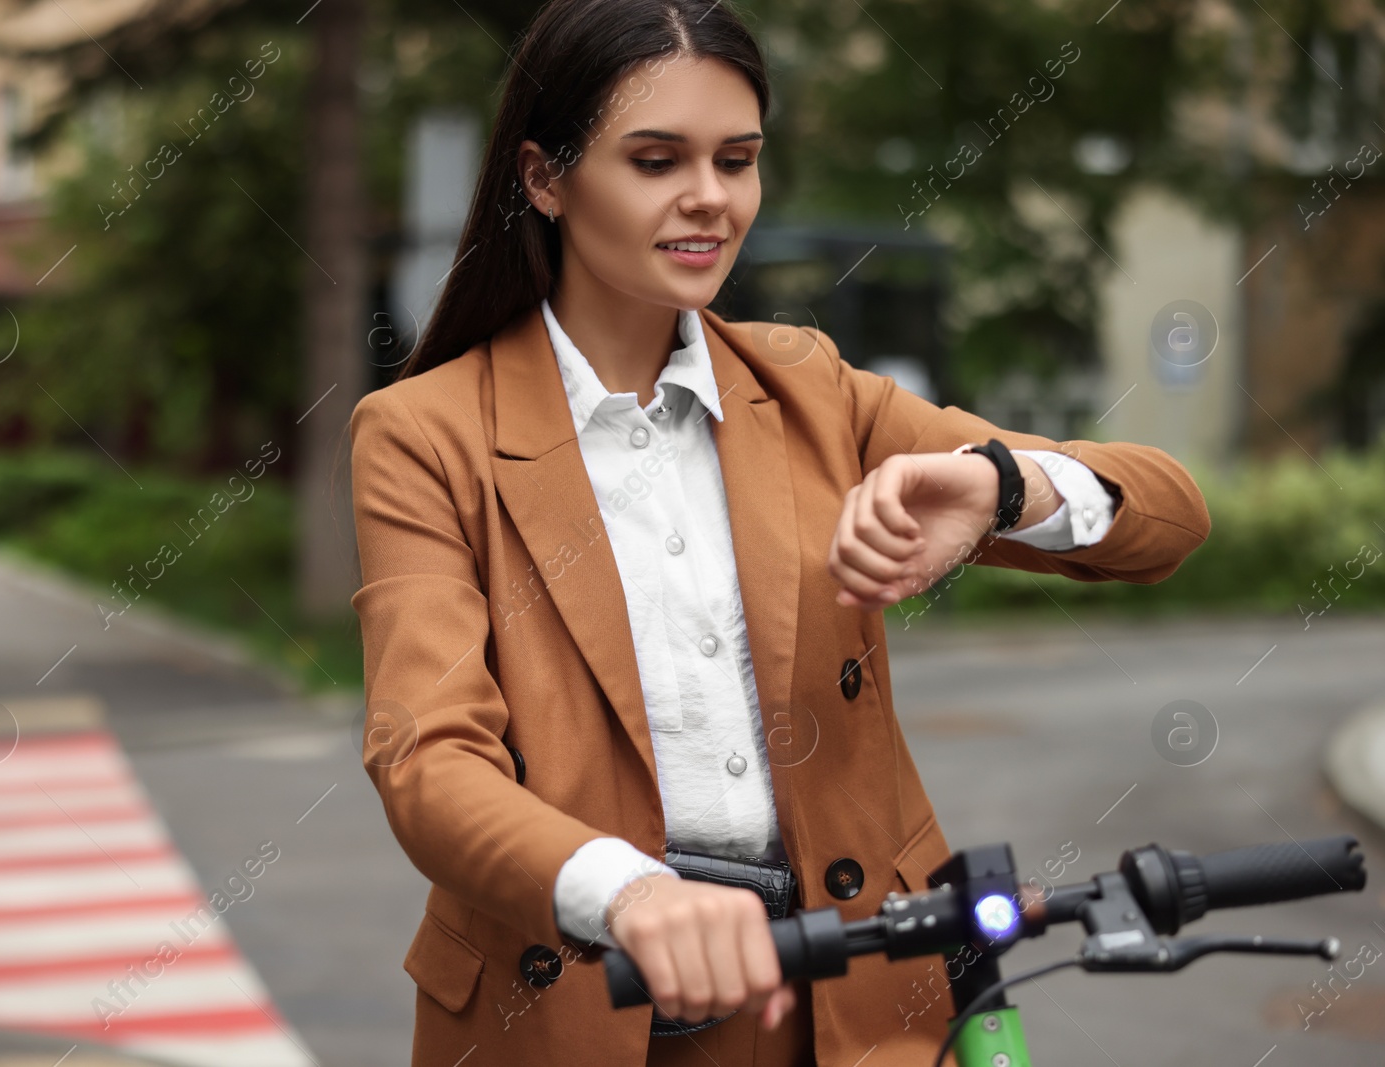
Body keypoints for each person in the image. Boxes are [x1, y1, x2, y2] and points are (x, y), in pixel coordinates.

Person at [347, 0, 1211, 1064]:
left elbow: (1166, 512)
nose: (708, 198)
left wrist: (1001, 487)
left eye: (737, 159)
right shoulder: (423, 435)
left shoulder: (808, 387)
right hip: (574, 1002)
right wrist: (627, 895)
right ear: (545, 178)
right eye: (655, 160)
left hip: (853, 998)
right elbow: (427, 757)